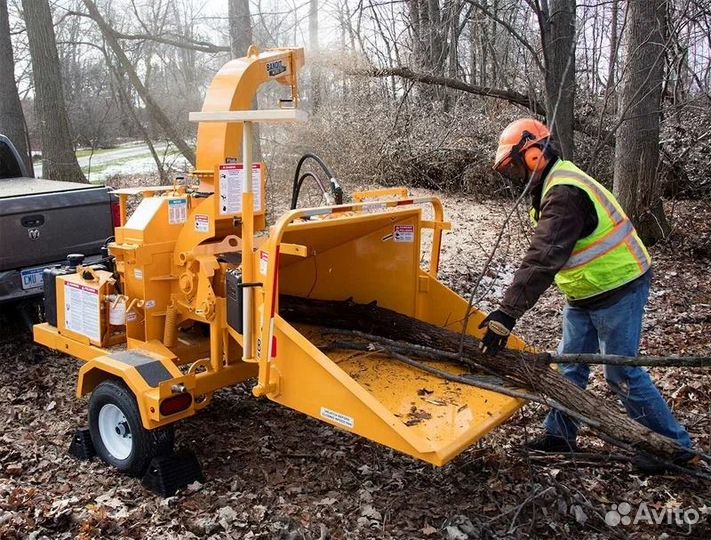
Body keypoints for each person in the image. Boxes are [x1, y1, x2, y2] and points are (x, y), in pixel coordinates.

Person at [478, 118, 693, 472]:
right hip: (586, 292)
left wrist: (506, 313)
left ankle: (672, 448)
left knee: (621, 372)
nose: (515, 176)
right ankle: (560, 434)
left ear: (533, 155)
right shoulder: (554, 183)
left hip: (618, 286)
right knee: (570, 365)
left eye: (515, 166)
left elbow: (543, 257)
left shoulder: (564, 192)